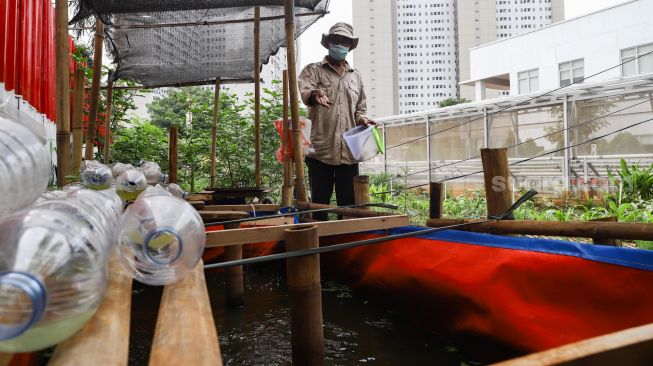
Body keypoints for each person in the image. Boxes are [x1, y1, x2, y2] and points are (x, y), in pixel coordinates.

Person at [298, 22, 375, 220]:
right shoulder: (313, 70)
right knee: (319, 205)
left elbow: (360, 108)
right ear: (328, 43)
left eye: (344, 41)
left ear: (349, 46)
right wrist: (316, 95)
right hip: (321, 149)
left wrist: (363, 119)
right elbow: (306, 90)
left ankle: (344, 244)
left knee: (348, 205)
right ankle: (319, 247)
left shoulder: (355, 76)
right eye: (336, 40)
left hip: (349, 151)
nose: (339, 45)